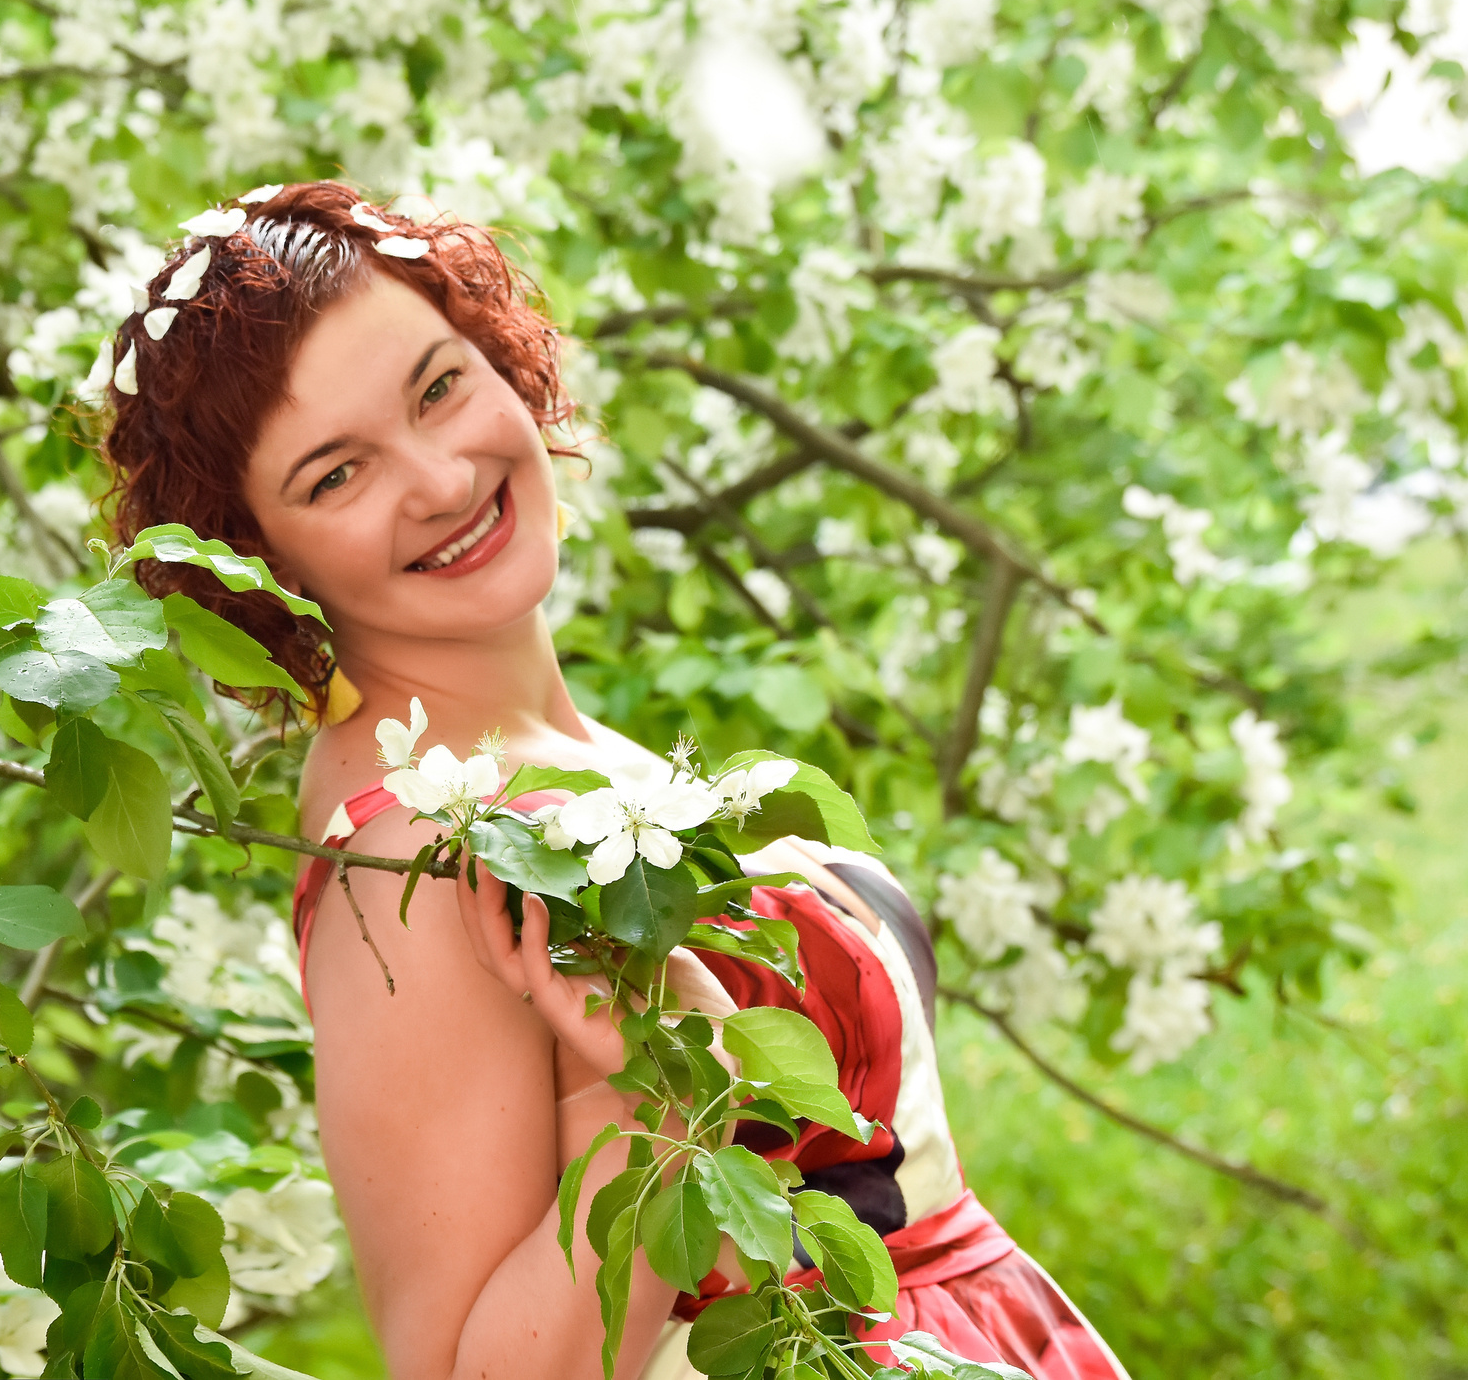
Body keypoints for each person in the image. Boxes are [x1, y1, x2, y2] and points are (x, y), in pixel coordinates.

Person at [98, 182, 1129, 1380]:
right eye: (336, 475)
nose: (440, 480)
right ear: (254, 560)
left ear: (501, 363)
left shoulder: (568, 763)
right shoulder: (419, 855)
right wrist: (652, 1095)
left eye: (439, 388)